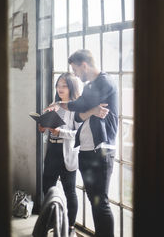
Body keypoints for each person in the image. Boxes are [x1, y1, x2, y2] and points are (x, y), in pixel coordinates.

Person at [45, 49, 118, 237]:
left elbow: (79, 106)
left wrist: (79, 107)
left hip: (100, 150)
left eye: (75, 70)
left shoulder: (104, 81)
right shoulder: (90, 87)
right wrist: (90, 109)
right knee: (94, 200)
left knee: (100, 202)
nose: (75, 74)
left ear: (84, 65)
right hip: (86, 148)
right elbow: (79, 113)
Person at [38, 72, 81, 237]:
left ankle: (70, 227)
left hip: (67, 153)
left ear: (71, 87)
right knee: (47, 188)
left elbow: (79, 134)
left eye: (64, 86)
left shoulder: (77, 107)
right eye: (58, 85)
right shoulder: (54, 105)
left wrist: (60, 132)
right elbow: (48, 131)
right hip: (52, 151)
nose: (60, 89)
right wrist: (43, 128)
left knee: (70, 191)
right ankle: (51, 222)